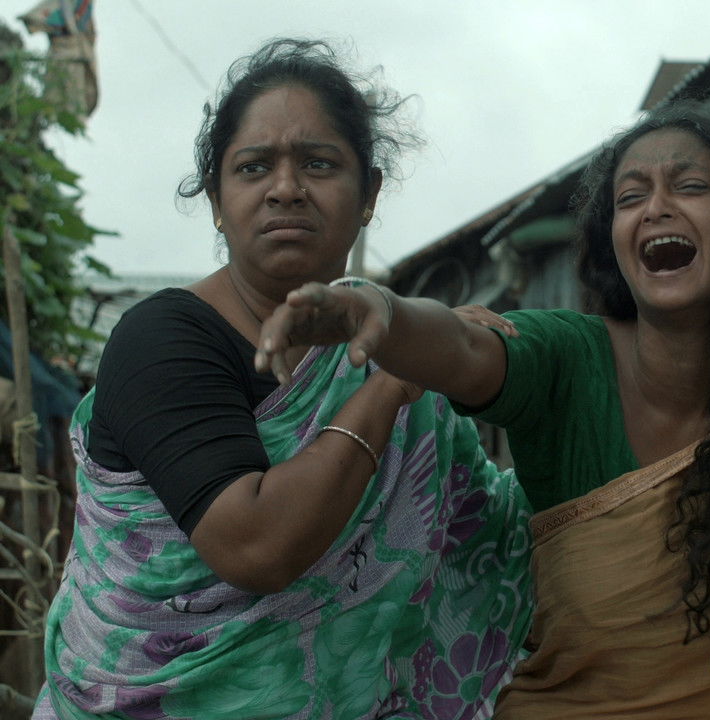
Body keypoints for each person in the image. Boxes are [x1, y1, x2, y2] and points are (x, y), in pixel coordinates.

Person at [256, 102, 710, 718]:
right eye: (631, 197)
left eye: (690, 186)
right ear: (612, 241)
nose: (656, 208)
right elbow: (464, 346)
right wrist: (382, 311)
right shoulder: (567, 357)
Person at [34, 39, 532, 719]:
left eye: (319, 164)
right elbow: (255, 545)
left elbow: (488, 538)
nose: (287, 188)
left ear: (368, 194)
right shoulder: (162, 340)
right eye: (254, 166)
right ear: (217, 199)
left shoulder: (398, 339)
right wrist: (392, 382)